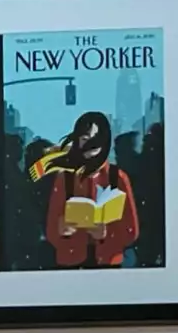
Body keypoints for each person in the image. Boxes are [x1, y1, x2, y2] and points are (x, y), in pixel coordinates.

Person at [36, 109, 140, 269]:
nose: (91, 146)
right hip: (71, 261)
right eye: (85, 139)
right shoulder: (64, 178)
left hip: (108, 262)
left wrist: (108, 234)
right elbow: (51, 231)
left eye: (96, 140)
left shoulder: (118, 177)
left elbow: (131, 231)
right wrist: (61, 229)